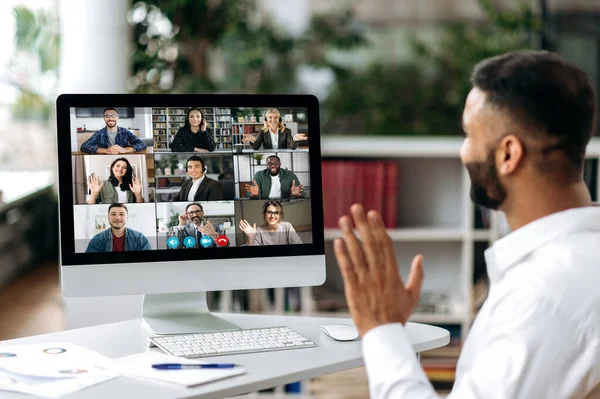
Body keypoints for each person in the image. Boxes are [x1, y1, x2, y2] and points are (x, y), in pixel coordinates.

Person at [333, 50, 600, 398]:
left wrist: (382, 328)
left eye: (469, 134)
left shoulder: (545, 297)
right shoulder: (578, 260)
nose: (463, 151)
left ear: (508, 154)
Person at [86, 203, 151, 252]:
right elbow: (90, 264)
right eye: (113, 214)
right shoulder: (97, 240)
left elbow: (148, 263)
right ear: (108, 217)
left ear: (127, 217)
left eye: (121, 214)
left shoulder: (139, 238)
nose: (117, 218)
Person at [80, 108, 146, 154]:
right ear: (104, 118)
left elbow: (142, 144)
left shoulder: (125, 132)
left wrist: (125, 150)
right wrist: (105, 150)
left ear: (117, 117)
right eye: (107, 116)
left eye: (113, 116)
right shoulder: (99, 133)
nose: (110, 118)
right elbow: (84, 146)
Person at [241, 108, 307, 150]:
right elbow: (256, 147)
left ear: (279, 119)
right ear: (266, 119)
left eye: (276, 117)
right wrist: (253, 140)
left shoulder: (287, 131)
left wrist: (295, 139)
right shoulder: (262, 131)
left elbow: (292, 147)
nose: (273, 120)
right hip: (268, 157)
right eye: (270, 117)